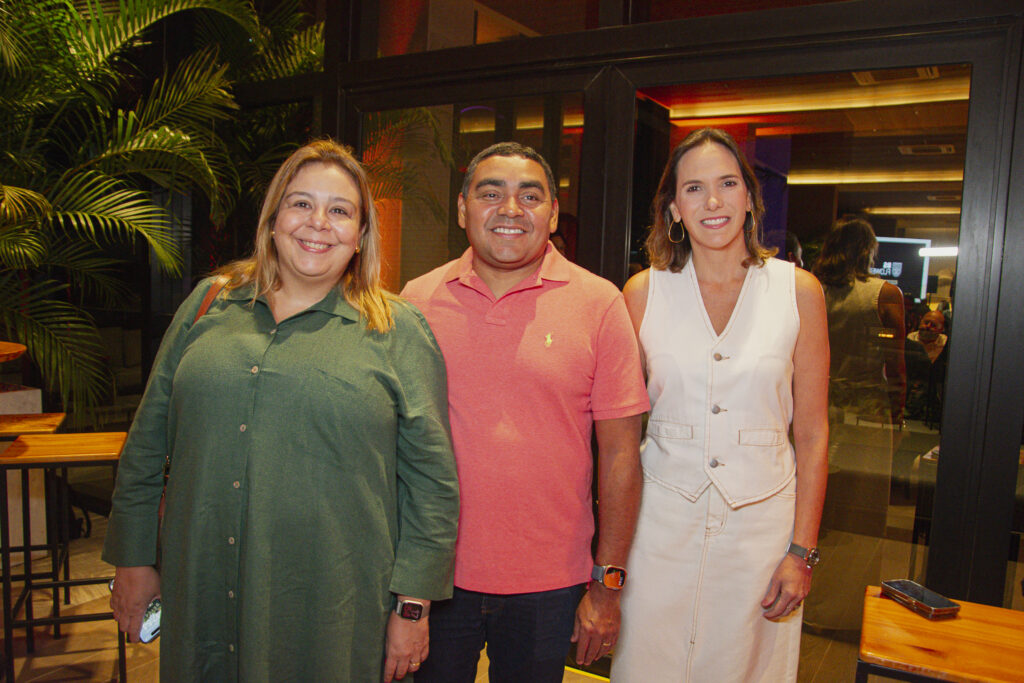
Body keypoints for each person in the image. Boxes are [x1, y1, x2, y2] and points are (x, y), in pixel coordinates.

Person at [102, 140, 459, 682]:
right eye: (300, 203)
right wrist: (131, 560)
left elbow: (432, 484)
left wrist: (413, 607)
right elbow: (146, 444)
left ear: (360, 235)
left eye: (340, 210)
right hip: (200, 592)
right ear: (272, 220)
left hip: (334, 613)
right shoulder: (207, 305)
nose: (318, 223)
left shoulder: (398, 331)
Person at [401, 142, 649, 682]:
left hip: (551, 584)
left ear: (553, 214)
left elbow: (621, 457)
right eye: (491, 193)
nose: (510, 208)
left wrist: (607, 587)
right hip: (436, 578)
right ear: (464, 208)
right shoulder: (415, 303)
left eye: (529, 195)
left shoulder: (599, 303)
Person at [611, 128, 830, 682]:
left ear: (751, 200)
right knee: (648, 665)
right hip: (658, 528)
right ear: (672, 209)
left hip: (761, 532)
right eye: (694, 188)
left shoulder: (798, 291)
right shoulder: (642, 293)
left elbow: (812, 433)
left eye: (728, 183)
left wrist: (801, 551)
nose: (713, 201)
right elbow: (620, 429)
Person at [806, 216, 905, 630]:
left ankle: (807, 605)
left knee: (818, 513)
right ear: (867, 251)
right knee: (861, 516)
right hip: (867, 413)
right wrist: (899, 409)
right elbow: (896, 361)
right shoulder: (885, 294)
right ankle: (849, 611)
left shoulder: (809, 291)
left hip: (815, 408)